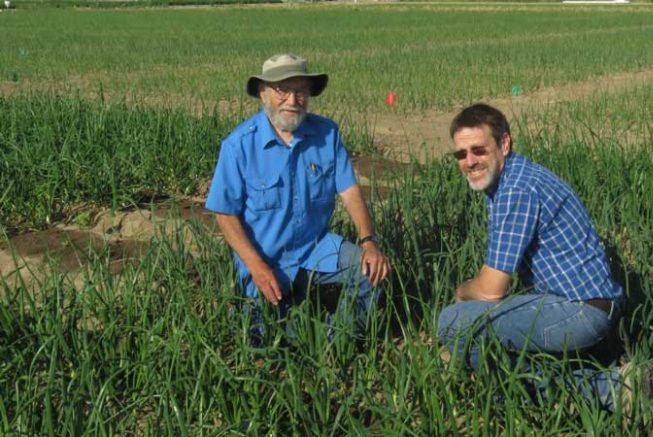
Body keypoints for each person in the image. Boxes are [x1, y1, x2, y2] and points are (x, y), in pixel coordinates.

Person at [437, 103, 625, 410]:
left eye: (478, 150)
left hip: (579, 311)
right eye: (461, 154)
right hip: (584, 305)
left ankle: (609, 389)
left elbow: (490, 290)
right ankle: (509, 391)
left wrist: (461, 293)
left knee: (453, 322)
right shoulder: (513, 179)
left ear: (505, 144)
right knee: (478, 340)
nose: (469, 161)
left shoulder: (517, 189)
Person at [206, 53, 391, 344]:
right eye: (282, 90)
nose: (293, 99)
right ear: (263, 93)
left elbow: (350, 191)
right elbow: (224, 214)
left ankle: (337, 345)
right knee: (263, 341)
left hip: (314, 249)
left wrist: (369, 242)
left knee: (372, 272)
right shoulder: (238, 145)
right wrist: (256, 266)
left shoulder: (326, 133)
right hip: (265, 261)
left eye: (301, 90)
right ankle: (290, 322)